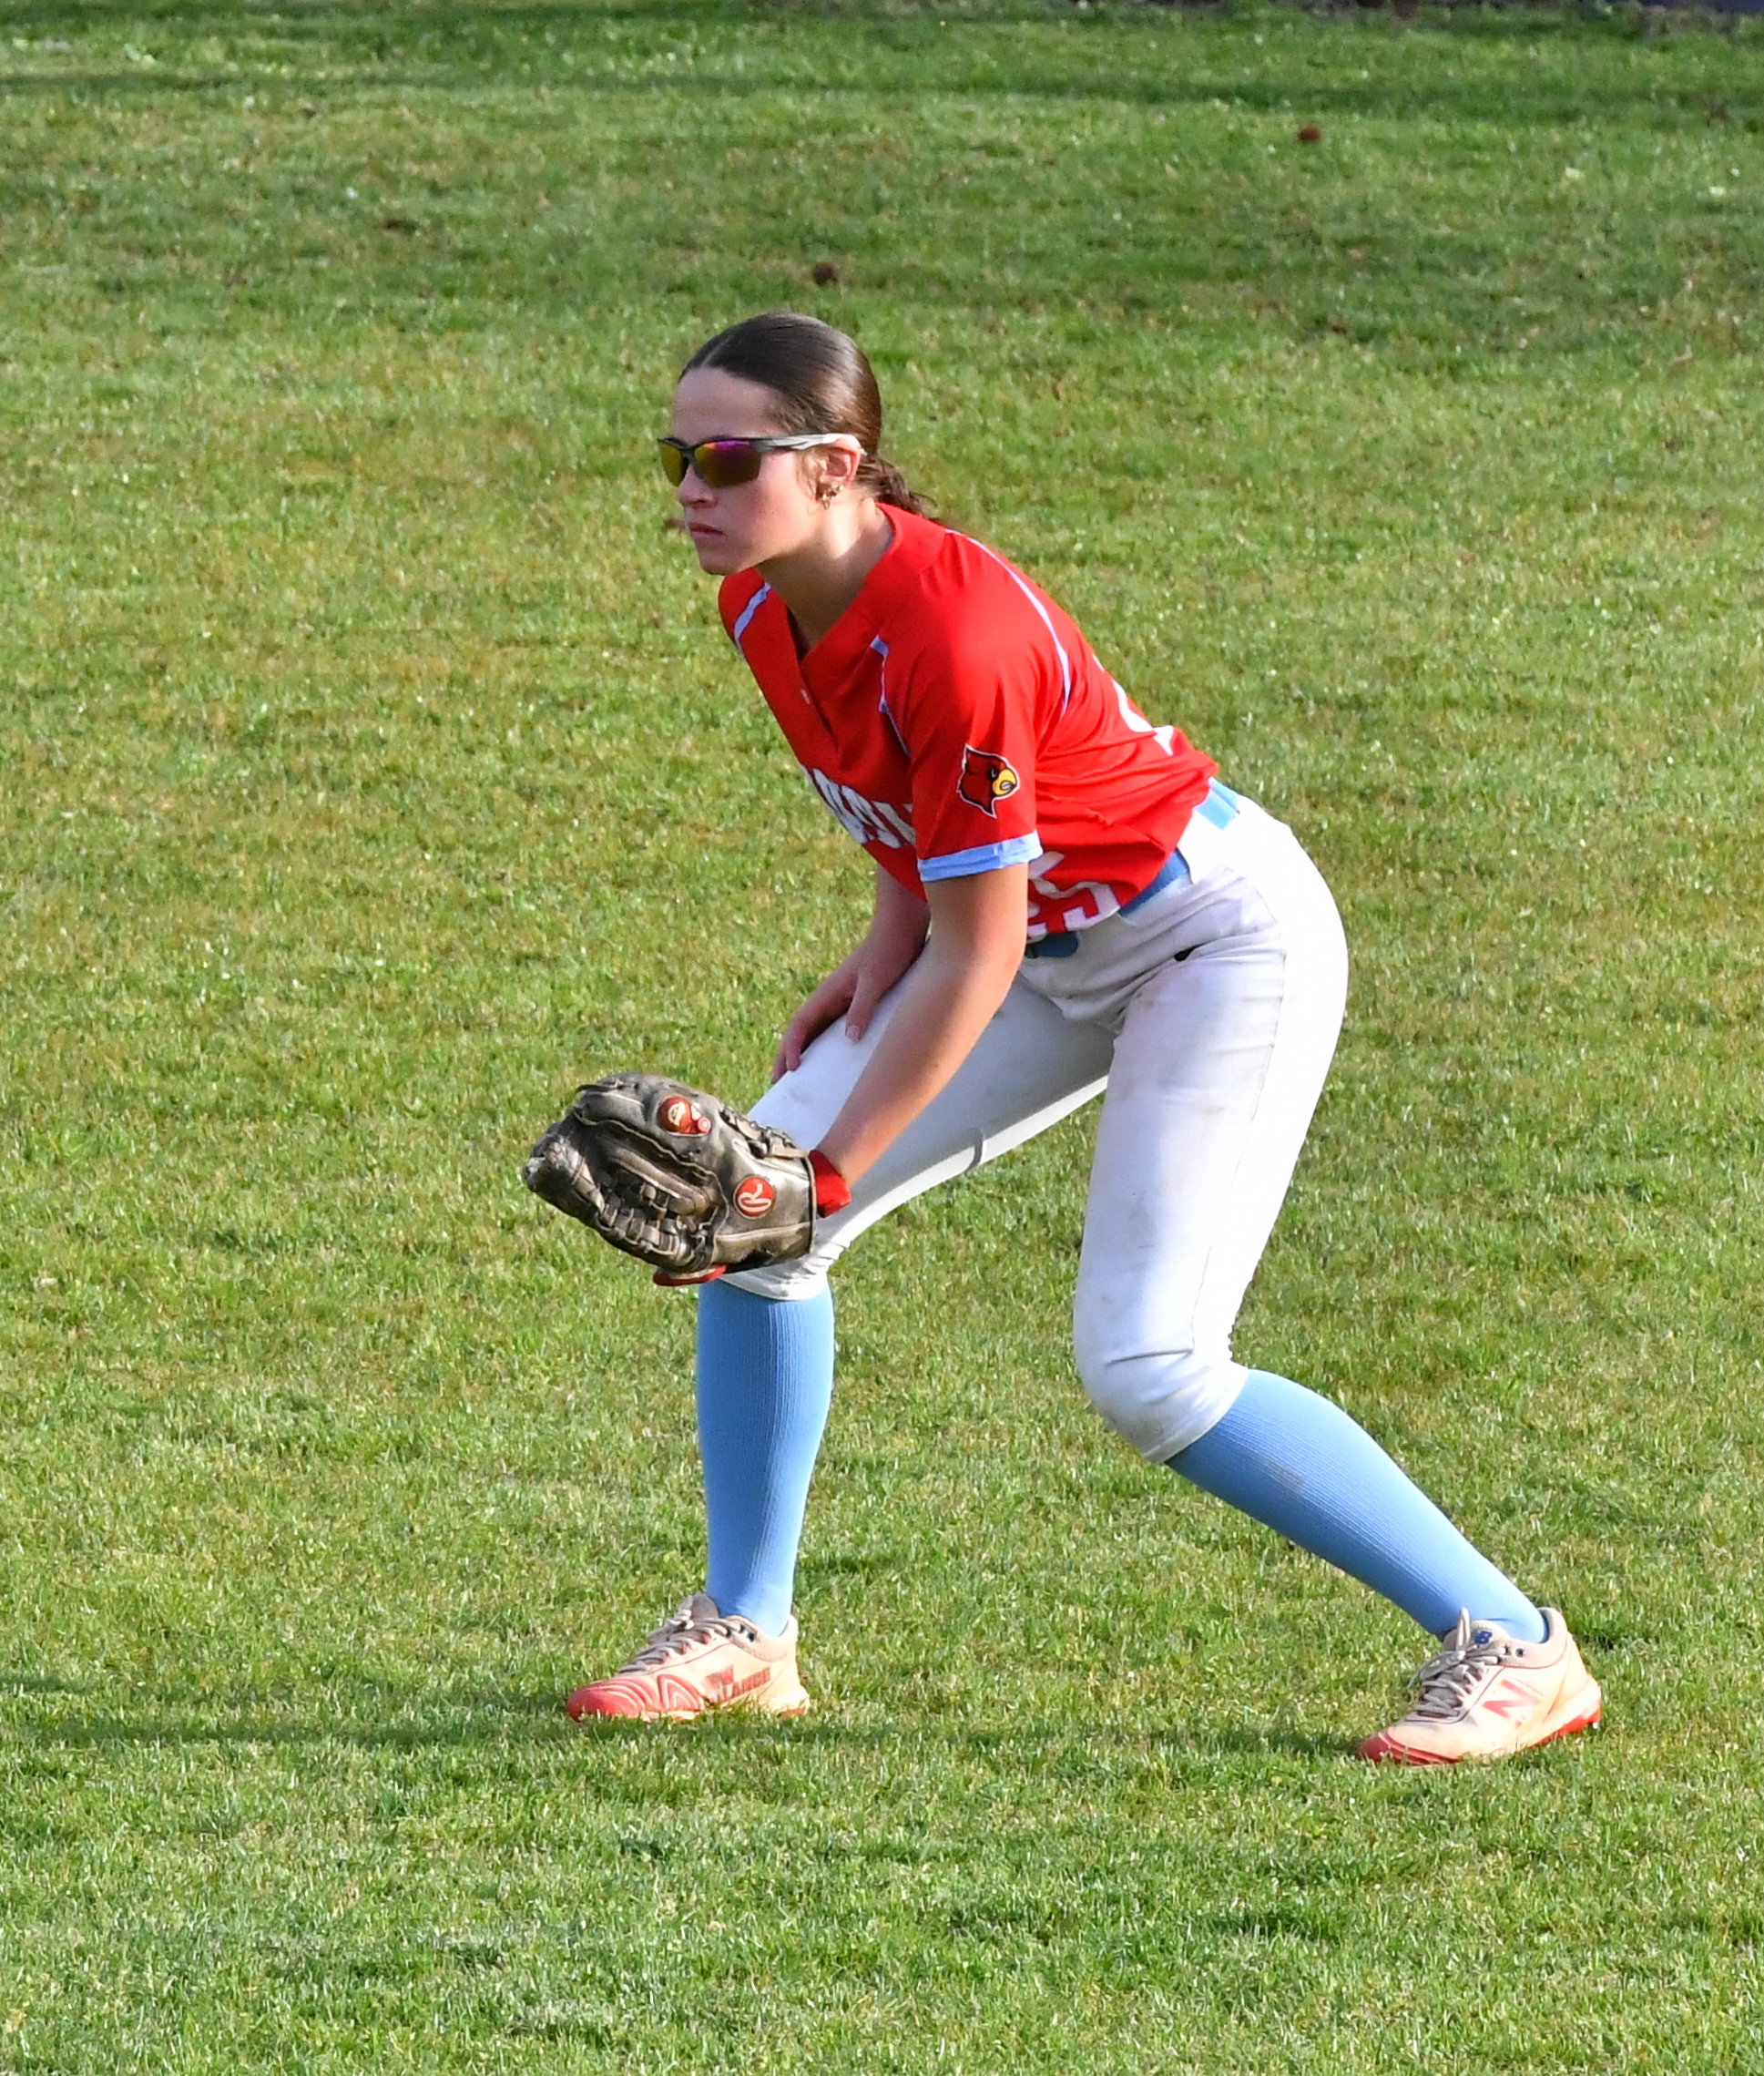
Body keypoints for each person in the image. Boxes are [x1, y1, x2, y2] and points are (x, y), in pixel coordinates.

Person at [564, 311, 1601, 1764]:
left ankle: (1514, 1644)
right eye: (676, 454)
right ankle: (748, 1634)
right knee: (751, 1233)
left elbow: (983, 945)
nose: (689, 487)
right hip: (1036, 941)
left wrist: (835, 1161)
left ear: (839, 465)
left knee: (1150, 1365)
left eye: (728, 457)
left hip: (1210, 944)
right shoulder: (761, 596)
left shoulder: (957, 627)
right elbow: (915, 827)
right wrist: (877, 951)